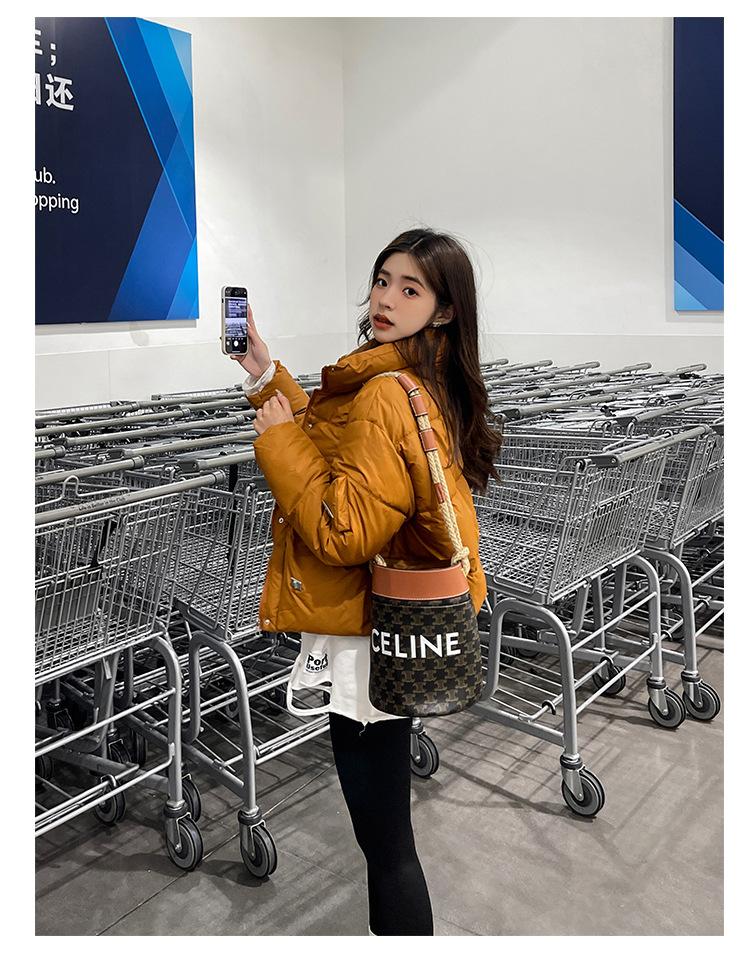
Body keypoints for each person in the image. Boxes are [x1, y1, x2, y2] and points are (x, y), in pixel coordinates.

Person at [231, 227, 503, 936]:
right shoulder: (415, 377)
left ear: (444, 308)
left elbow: (343, 530)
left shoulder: (385, 390)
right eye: (383, 280)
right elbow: (346, 452)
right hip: (388, 625)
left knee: (387, 848)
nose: (385, 299)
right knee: (385, 837)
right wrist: (265, 374)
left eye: (410, 289)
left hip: (369, 635)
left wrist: (276, 441)